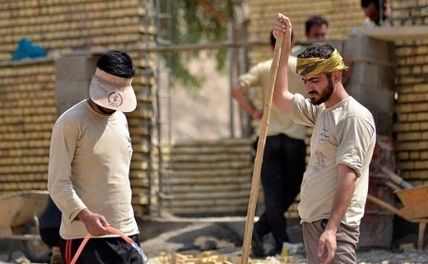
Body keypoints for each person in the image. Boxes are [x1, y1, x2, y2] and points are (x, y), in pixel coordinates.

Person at [272, 14, 376, 264]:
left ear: (337, 76)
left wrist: (331, 229)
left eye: (315, 80)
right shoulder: (321, 111)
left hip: (333, 226)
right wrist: (284, 45)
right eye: (306, 81)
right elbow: (279, 97)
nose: (308, 88)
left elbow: (348, 177)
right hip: (313, 224)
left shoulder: (353, 117)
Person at [48, 49, 147, 264]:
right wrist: (86, 216)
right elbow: (58, 184)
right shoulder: (70, 123)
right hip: (85, 239)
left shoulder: (121, 120)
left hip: (126, 234)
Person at [231, 31, 307, 257]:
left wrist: (254, 111)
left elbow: (236, 89)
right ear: (292, 43)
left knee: (273, 194)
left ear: (270, 45)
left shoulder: (264, 68)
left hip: (269, 139)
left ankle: (262, 230)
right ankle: (280, 243)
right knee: (292, 189)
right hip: (295, 139)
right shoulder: (301, 66)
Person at [39, 196, 62, 264]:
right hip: (59, 227)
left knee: (55, 243)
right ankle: (58, 254)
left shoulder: (52, 192)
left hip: (44, 229)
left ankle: (56, 254)